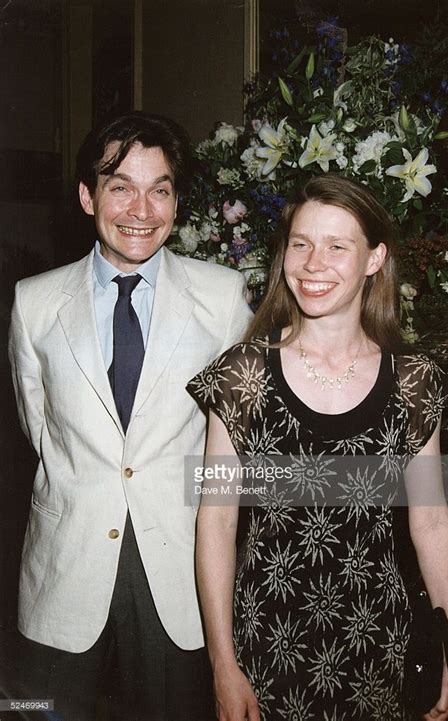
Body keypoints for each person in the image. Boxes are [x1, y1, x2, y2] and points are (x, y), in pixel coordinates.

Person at [187, 175, 448, 721]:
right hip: (267, 646)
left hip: (381, 647)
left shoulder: (414, 381)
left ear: (374, 259)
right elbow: (215, 523)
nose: (314, 263)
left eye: (338, 246)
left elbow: (431, 520)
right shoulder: (241, 377)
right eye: (301, 243)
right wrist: (223, 664)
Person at [8, 111, 252, 721]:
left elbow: (235, 447)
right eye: (121, 187)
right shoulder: (33, 302)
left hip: (179, 563)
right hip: (66, 557)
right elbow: (40, 429)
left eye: (160, 189)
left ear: (176, 202)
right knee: (42, 711)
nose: (141, 210)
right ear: (89, 196)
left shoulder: (222, 298)